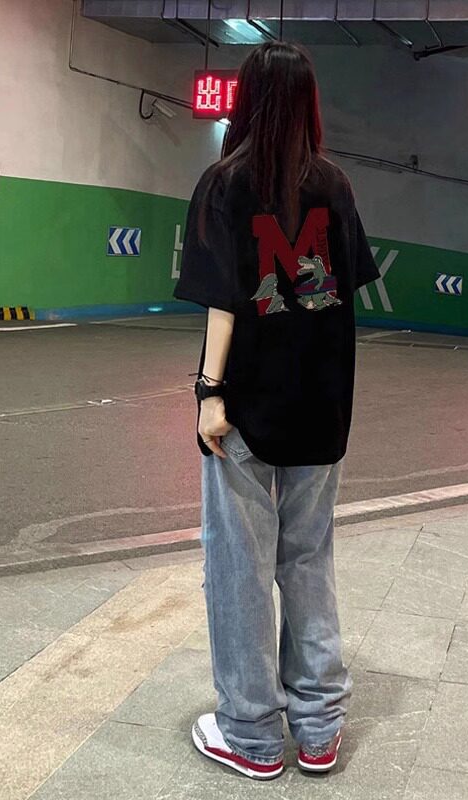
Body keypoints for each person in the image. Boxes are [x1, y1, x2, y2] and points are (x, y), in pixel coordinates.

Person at [173, 40, 380, 781]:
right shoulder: (336, 185)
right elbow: (342, 294)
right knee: (308, 560)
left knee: (239, 567)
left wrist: (209, 393)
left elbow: (224, 305)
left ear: (248, 99)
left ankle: (252, 736)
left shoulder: (225, 183)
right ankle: (319, 729)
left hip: (246, 412)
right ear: (309, 103)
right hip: (321, 409)